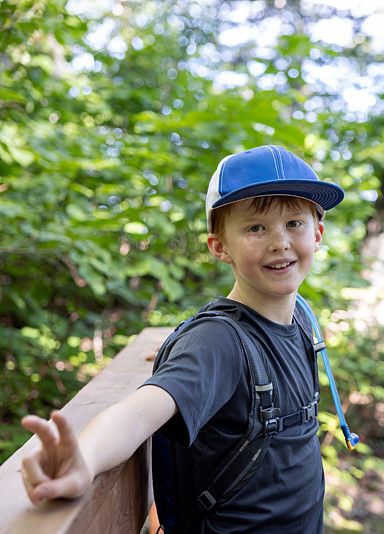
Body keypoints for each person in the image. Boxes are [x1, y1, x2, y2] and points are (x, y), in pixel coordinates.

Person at [20, 145, 345, 533]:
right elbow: (140, 412)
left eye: (295, 223)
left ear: (318, 233)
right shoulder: (217, 342)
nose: (280, 241)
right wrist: (84, 458)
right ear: (219, 246)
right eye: (256, 227)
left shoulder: (303, 316)